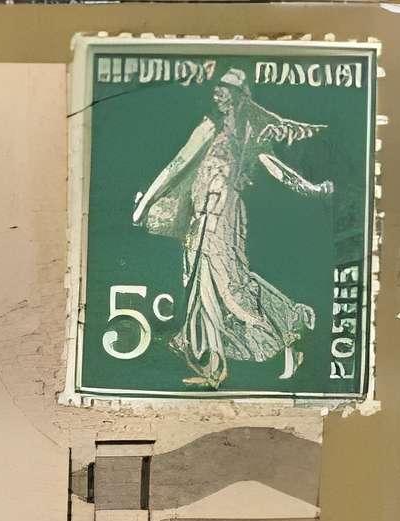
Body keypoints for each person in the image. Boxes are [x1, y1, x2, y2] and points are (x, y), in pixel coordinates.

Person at [133, 68, 334, 387]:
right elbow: (178, 164)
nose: (217, 92)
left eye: (225, 88)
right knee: (202, 288)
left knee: (231, 285)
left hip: (226, 215)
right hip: (201, 215)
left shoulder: (248, 134)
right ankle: (216, 368)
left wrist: (311, 189)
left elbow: (276, 168)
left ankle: (287, 337)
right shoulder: (208, 126)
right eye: (217, 87)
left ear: (239, 96)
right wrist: (145, 204)